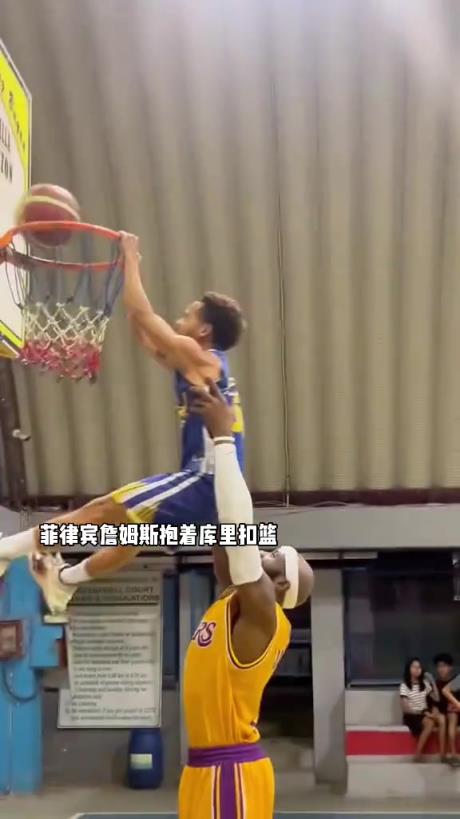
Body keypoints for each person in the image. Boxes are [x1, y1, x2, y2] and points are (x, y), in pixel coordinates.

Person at [0, 234, 245, 614]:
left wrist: (131, 257)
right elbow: (142, 328)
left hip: (204, 483)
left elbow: (145, 315)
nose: (180, 319)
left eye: (189, 315)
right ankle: (64, 581)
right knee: (132, 535)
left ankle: (6, 550)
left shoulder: (200, 357)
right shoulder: (195, 363)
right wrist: (128, 284)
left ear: (204, 331)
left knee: (103, 509)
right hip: (216, 493)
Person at [178, 381, 314, 819]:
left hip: (229, 771)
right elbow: (225, 530)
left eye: (272, 554)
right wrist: (212, 443)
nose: (262, 549)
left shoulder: (264, 615)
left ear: (280, 585)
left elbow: (238, 531)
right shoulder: (238, 602)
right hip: (207, 768)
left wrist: (224, 437)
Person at [400, 657, 444, 762]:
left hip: (424, 713)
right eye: (414, 667)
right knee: (430, 723)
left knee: (441, 718)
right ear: (409, 669)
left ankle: (443, 753)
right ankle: (418, 754)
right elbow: (405, 708)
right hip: (412, 715)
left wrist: (432, 682)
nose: (417, 669)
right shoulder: (404, 685)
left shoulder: (424, 684)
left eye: (419, 667)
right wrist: (424, 713)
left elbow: (437, 698)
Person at [436, 653, 460, 764]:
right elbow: (445, 691)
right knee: (452, 711)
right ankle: (453, 754)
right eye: (439, 666)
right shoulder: (458, 679)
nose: (441, 669)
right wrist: (457, 704)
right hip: (452, 711)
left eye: (444, 666)